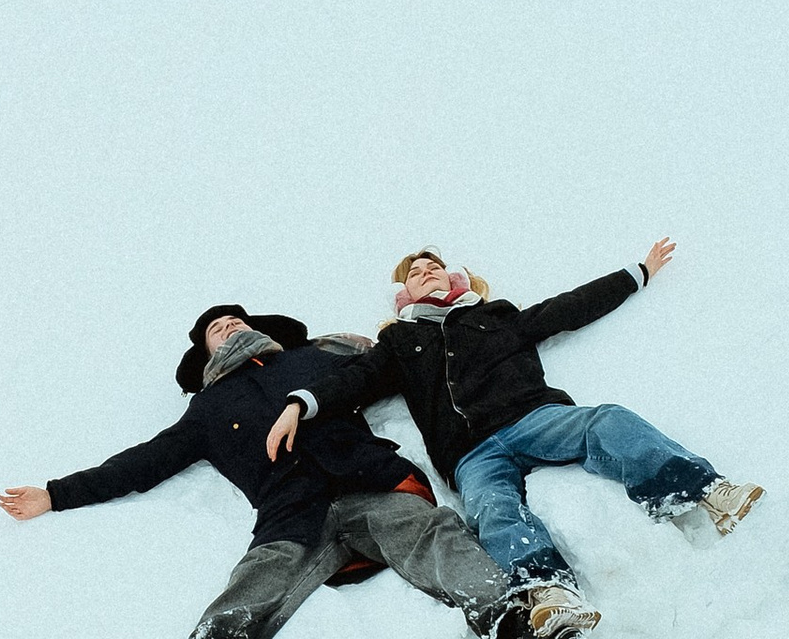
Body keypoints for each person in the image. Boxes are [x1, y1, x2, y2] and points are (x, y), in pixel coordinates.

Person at [0, 303, 587, 639]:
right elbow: (143, 463)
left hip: (368, 484)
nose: (227, 328)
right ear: (205, 352)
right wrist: (56, 493)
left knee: (432, 531)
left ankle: (516, 625)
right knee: (258, 575)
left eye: (234, 321)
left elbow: (389, 368)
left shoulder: (312, 361)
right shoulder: (206, 410)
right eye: (216, 329)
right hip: (291, 514)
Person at [272, 237, 759, 599]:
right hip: (470, 452)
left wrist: (637, 273)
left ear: (453, 278)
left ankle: (700, 489)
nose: (425, 272)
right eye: (414, 272)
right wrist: (299, 403)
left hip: (532, 417)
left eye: (432, 267)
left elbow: (567, 307)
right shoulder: (400, 343)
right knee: (492, 508)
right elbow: (353, 381)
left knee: (606, 421)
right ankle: (547, 589)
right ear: (404, 292)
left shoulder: (496, 316)